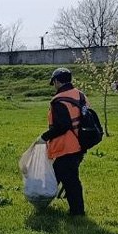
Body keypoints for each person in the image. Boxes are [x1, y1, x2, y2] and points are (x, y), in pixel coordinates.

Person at [41, 68, 88, 217]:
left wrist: (44, 137)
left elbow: (62, 126)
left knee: (69, 180)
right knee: (61, 175)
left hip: (67, 146)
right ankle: (43, 203)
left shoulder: (59, 101)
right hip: (81, 143)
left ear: (56, 81)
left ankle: (77, 212)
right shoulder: (80, 95)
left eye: (54, 83)